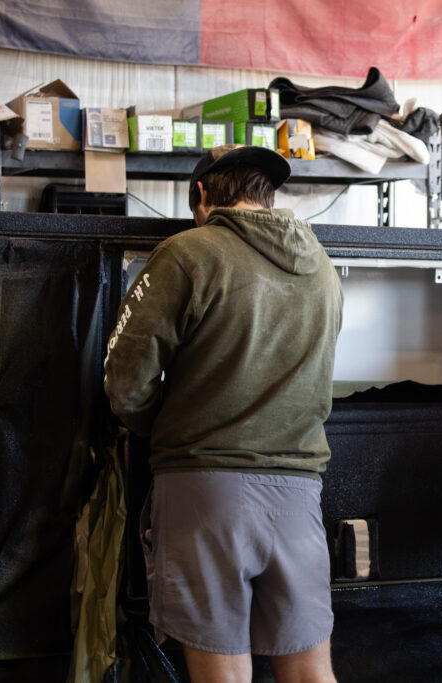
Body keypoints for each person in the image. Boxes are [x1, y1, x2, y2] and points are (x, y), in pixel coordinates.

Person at [103, 144, 343, 683]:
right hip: (300, 492)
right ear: (268, 195)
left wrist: (162, 428)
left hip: (204, 488)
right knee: (311, 674)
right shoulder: (322, 268)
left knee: (222, 676)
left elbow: (125, 381)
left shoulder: (188, 252)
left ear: (203, 194)